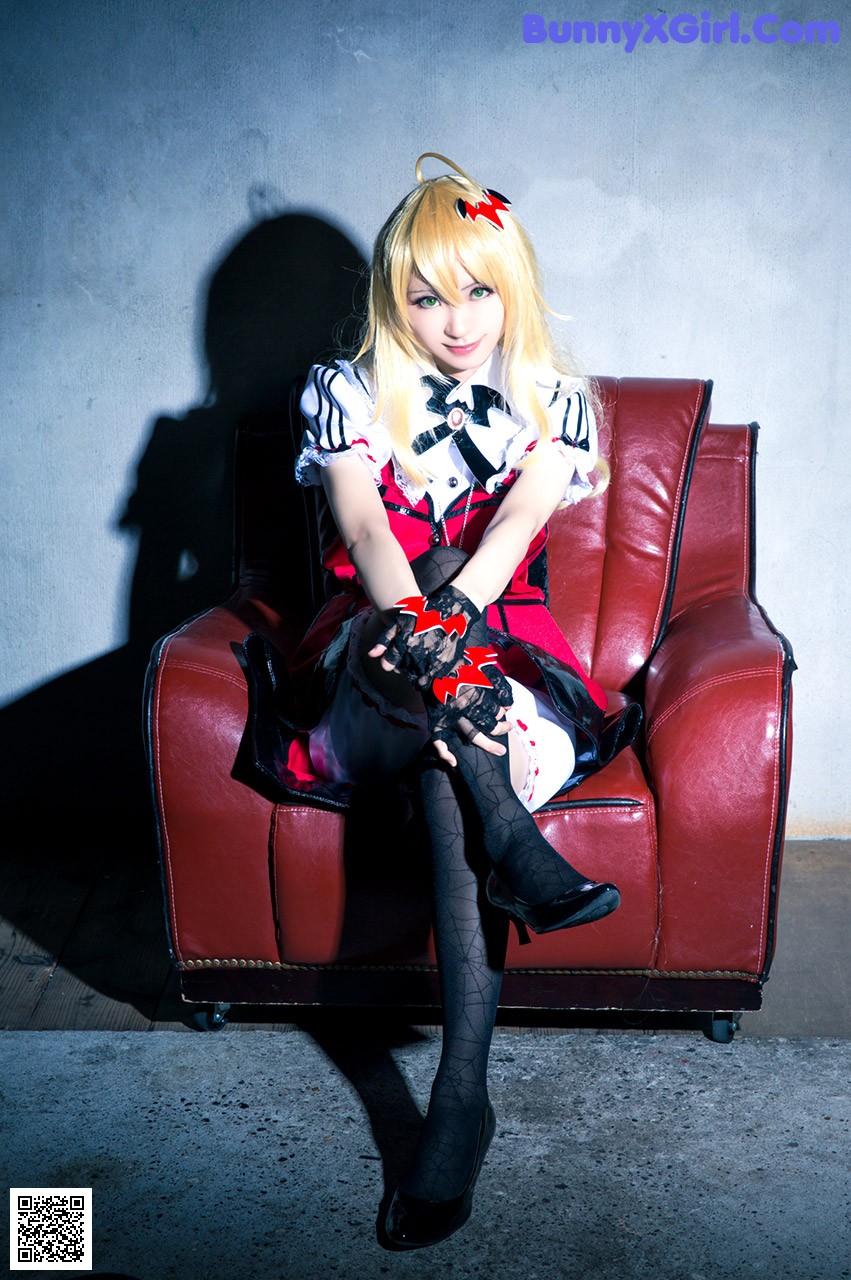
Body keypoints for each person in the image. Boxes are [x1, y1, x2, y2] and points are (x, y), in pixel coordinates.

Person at [286, 153, 640, 1249]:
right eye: (426, 296)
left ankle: (459, 1096)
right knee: (427, 580)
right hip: (371, 678)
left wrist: (456, 613)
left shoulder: (553, 403)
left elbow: (518, 523)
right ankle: (515, 845)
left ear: (511, 287)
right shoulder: (348, 391)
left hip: (497, 687)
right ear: (391, 299)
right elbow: (363, 529)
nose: (456, 321)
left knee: (459, 738)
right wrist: (419, 620)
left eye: (478, 290)